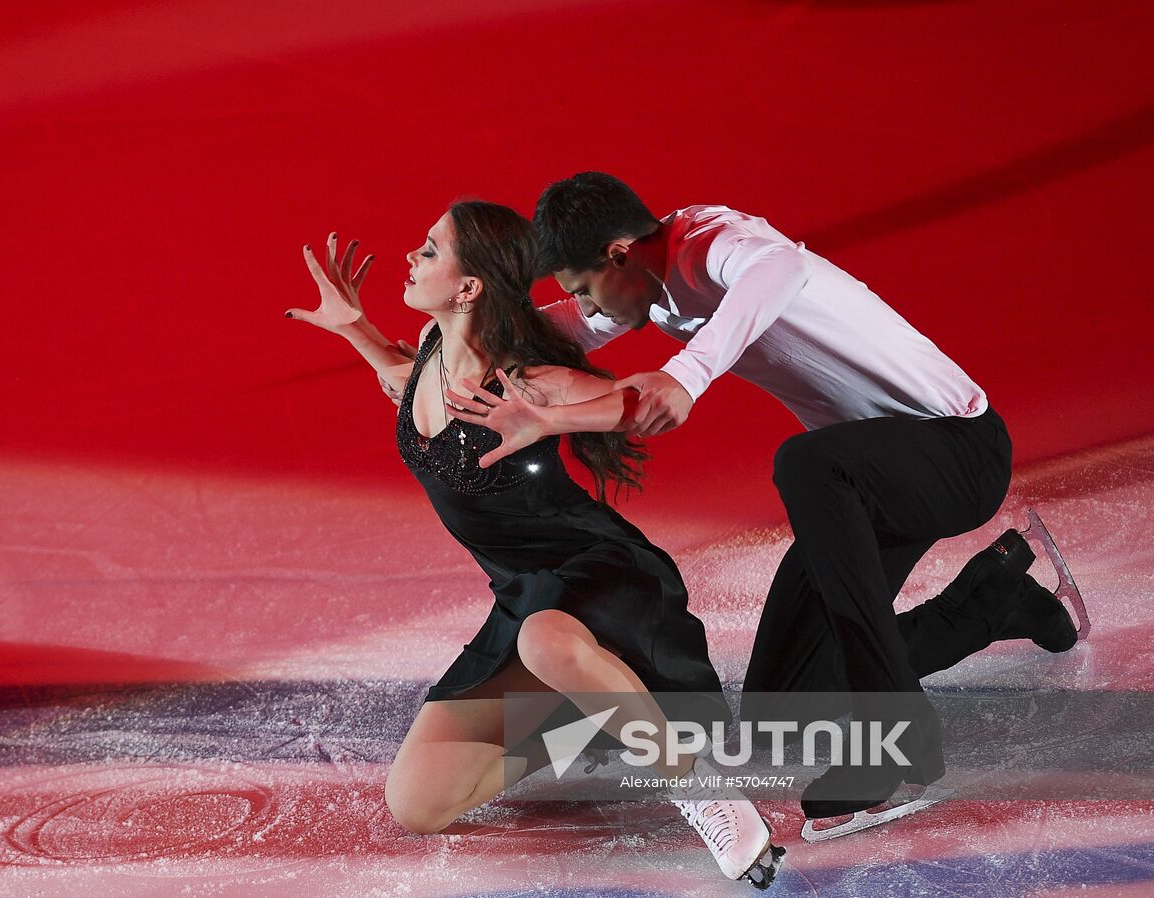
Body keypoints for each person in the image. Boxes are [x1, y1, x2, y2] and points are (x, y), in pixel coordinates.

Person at [443, 172, 1079, 832]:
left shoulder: (709, 240)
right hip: (870, 481)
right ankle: (992, 602)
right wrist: (444, 351)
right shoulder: (645, 287)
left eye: (582, 285)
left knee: (803, 462)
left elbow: (778, 267)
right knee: (784, 707)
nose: (586, 305)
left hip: (958, 452)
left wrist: (687, 373)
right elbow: (569, 329)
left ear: (619, 254)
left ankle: (897, 735)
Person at [286, 200, 785, 887]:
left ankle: (701, 788)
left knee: (546, 641)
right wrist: (359, 332)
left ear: (469, 288)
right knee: (419, 805)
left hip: (599, 576)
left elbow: (638, 405)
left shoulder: (528, 384)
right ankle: (595, 704)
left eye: (430, 250)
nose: (411, 257)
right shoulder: (431, 355)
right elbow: (414, 397)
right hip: (523, 593)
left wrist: (552, 417)